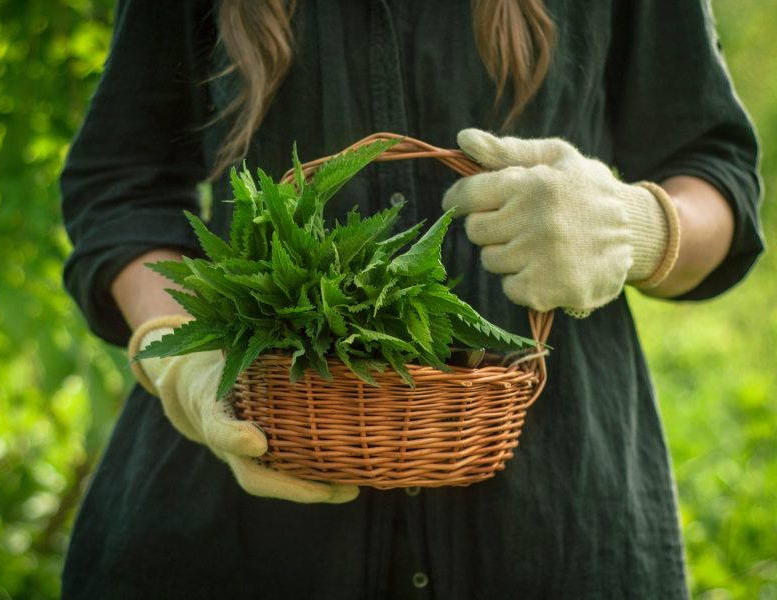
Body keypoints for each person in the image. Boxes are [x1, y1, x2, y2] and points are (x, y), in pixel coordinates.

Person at [59, 1, 763, 598]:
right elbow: (124, 182)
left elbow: (714, 171)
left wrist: (641, 227)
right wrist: (179, 352)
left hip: (552, 522)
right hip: (237, 513)